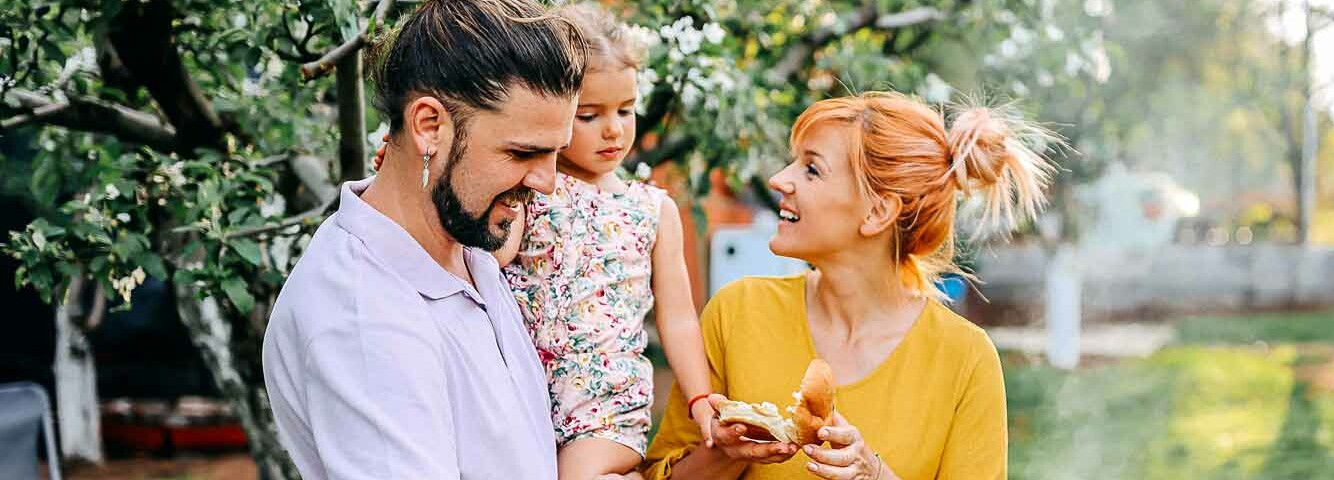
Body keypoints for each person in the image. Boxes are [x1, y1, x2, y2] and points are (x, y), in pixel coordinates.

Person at [639, 92, 1057, 480]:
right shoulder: (738, 312)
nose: (779, 180)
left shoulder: (964, 358)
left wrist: (874, 474)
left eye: (812, 169)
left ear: (877, 212)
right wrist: (727, 452)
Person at [259, 0, 586, 477]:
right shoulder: (363, 316)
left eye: (556, 152)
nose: (547, 182)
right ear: (430, 126)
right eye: (521, 153)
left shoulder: (465, 243)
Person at [499, 4, 714, 479]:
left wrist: (700, 396)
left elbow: (677, 315)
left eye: (626, 109)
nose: (614, 129)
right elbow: (496, 255)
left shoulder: (653, 209)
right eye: (590, 115)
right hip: (523, 390)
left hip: (604, 400)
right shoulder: (530, 188)